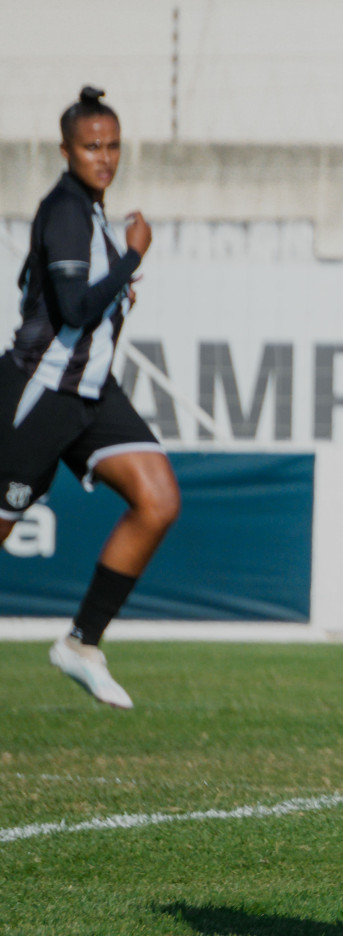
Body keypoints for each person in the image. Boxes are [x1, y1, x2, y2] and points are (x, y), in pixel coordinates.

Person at [1, 87, 180, 710]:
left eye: (112, 146)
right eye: (91, 146)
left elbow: (86, 312)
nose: (104, 157)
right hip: (40, 393)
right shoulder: (67, 210)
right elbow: (75, 307)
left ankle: (81, 644)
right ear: (66, 150)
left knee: (157, 498)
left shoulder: (95, 214)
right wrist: (132, 257)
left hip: (91, 396)